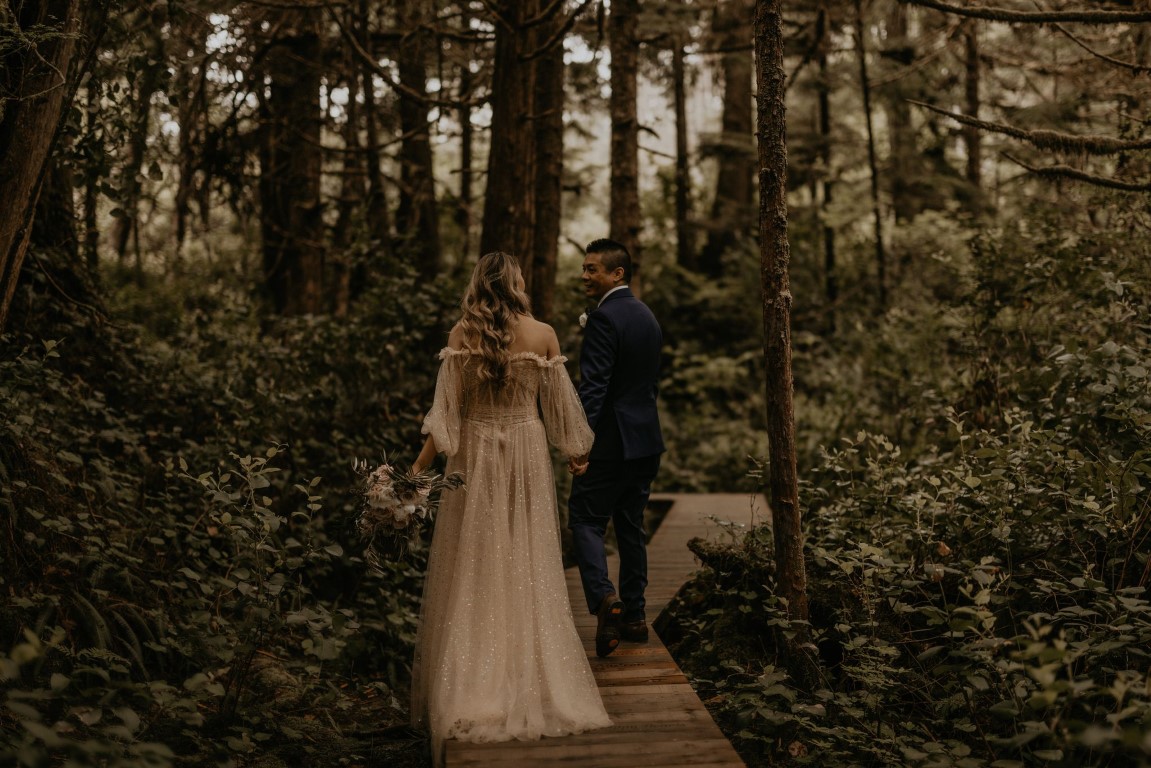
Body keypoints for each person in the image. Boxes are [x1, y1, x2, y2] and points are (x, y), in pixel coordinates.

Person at [408, 251, 611, 762]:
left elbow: (446, 416)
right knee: (526, 557)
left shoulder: (462, 334)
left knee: (475, 561)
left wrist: (415, 471)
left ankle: (475, 678)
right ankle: (526, 673)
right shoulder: (543, 333)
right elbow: (563, 407)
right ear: (515, 284)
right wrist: (575, 450)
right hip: (523, 452)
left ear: (479, 284)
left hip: (474, 455)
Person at [567, 238, 665, 658]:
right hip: (645, 441)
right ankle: (636, 618)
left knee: (585, 520)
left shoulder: (604, 318)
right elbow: (649, 383)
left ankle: (605, 598)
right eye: (585, 269)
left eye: (592, 269)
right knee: (630, 526)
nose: (585, 276)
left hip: (609, 442)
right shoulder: (647, 316)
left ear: (617, 273)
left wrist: (581, 442)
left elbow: (595, 387)